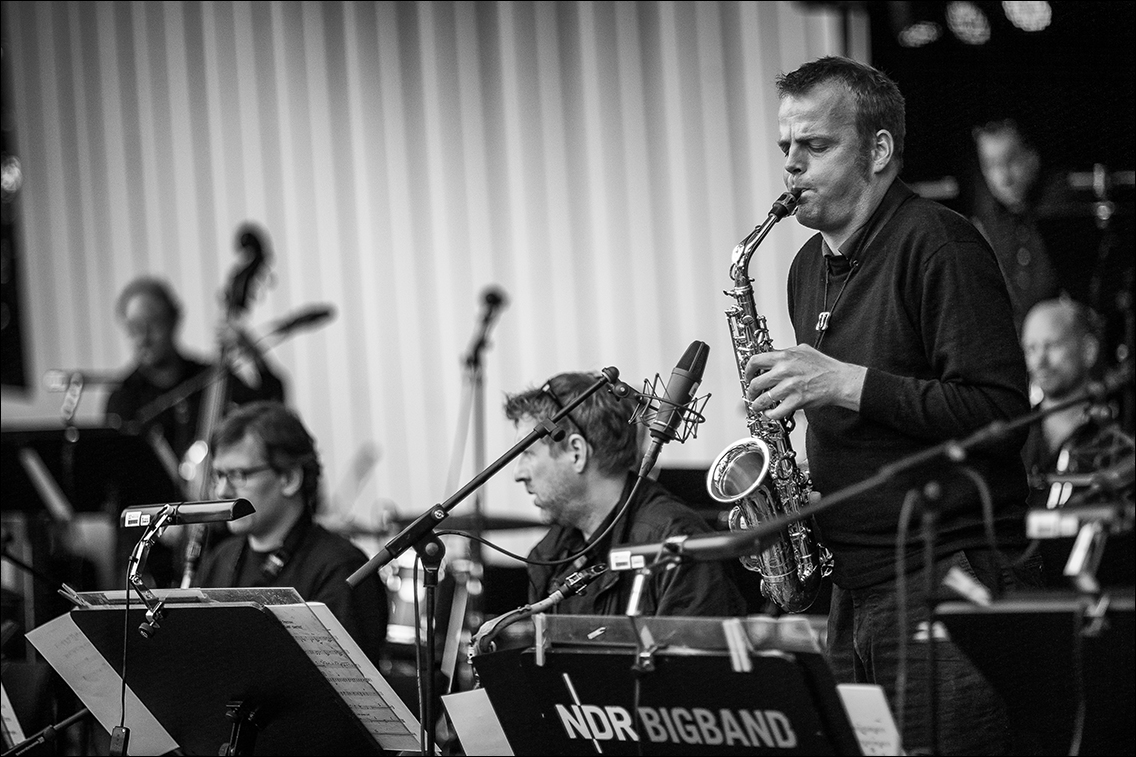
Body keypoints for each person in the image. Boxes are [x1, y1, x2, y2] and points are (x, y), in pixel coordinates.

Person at [742, 56, 1043, 755]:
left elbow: (999, 412)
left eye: (816, 145)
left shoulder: (940, 242)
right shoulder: (804, 266)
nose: (792, 164)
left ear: (878, 151)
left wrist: (842, 382)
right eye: (786, 147)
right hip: (854, 587)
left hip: (944, 581)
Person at [505, 372, 747, 617]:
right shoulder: (549, 554)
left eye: (528, 453)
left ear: (576, 452)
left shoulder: (677, 542)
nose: (518, 473)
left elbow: (692, 654)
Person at [195, 401, 389, 665]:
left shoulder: (341, 568)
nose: (221, 492)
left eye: (238, 475)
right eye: (218, 476)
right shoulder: (221, 558)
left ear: (289, 478)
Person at [105, 275, 287, 461]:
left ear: (174, 319)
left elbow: (272, 407)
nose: (143, 338)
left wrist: (252, 353)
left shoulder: (211, 378)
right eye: (133, 328)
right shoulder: (123, 397)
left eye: (152, 323)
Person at [1019, 298, 1133, 587]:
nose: (1039, 361)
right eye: (1030, 349)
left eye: (1051, 346)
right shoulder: (1012, 437)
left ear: (1088, 350)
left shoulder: (1116, 443)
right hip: (1022, 599)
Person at [969, 118, 1063, 335]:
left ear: (1033, 157)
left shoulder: (1062, 214)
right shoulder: (981, 226)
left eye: (1011, 161)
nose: (1003, 177)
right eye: (991, 165)